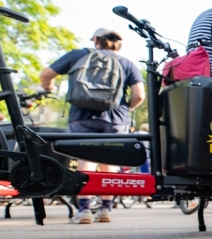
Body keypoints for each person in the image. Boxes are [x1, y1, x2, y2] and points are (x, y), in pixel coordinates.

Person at [40, 28, 145, 224]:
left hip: (82, 115)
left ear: (96, 40)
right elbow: (139, 95)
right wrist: (125, 108)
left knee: (85, 160)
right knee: (110, 163)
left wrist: (49, 88)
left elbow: (46, 75)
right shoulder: (126, 63)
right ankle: (105, 210)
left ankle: (84, 210)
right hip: (115, 118)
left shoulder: (78, 55)